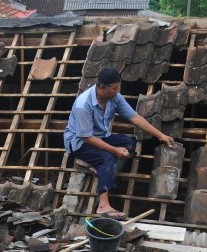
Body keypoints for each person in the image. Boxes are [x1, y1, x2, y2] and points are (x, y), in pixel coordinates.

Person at [64, 67, 174, 218]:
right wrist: (114, 150)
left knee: (129, 142)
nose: (117, 91)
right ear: (102, 87)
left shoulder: (115, 97)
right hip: (79, 142)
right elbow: (87, 138)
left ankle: (95, 165)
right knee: (107, 157)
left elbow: (134, 117)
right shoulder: (83, 104)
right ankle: (103, 205)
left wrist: (160, 135)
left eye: (118, 87)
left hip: (100, 137)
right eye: (114, 88)